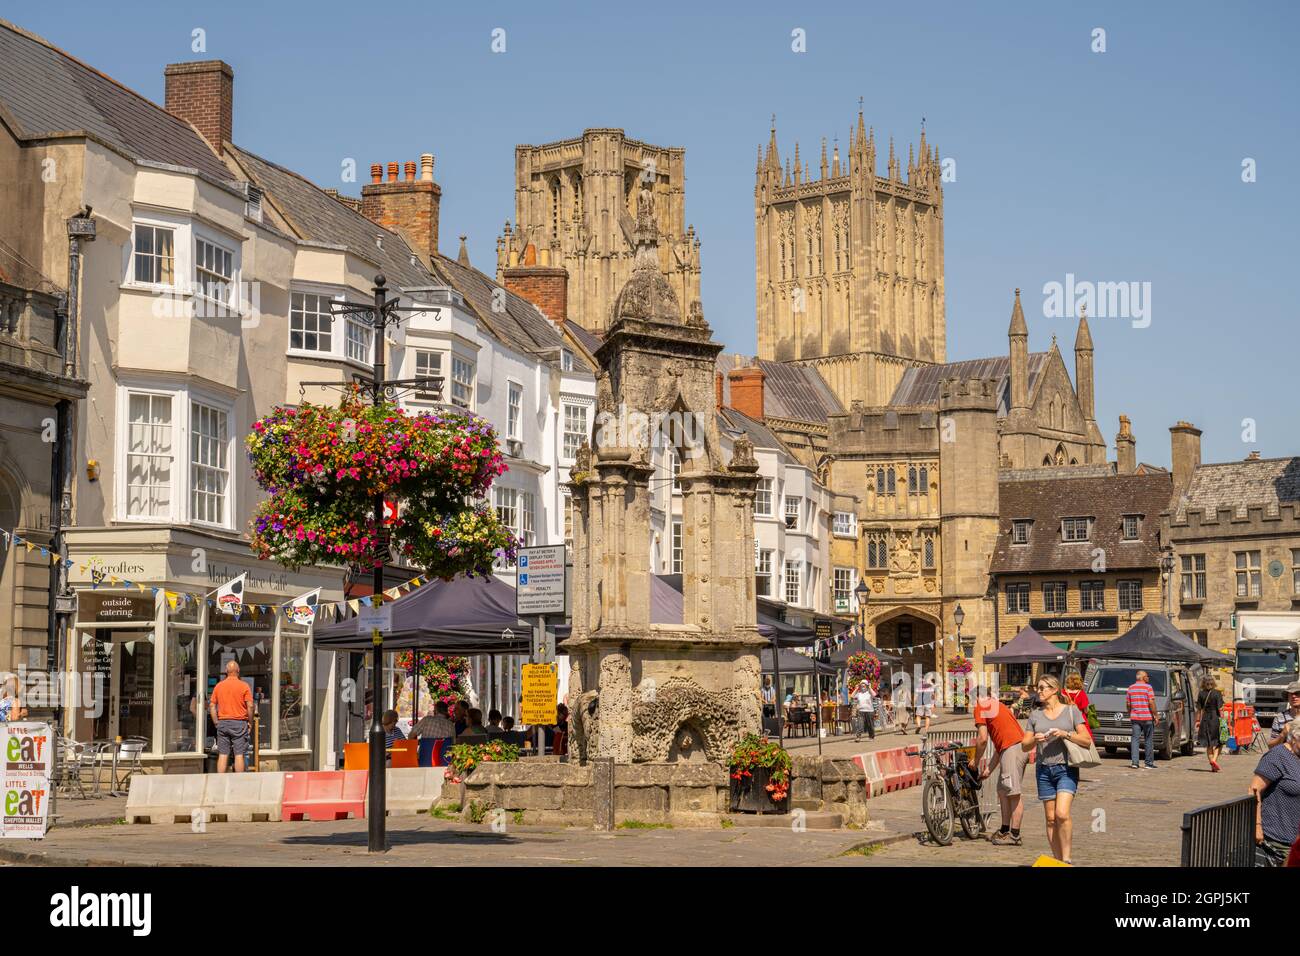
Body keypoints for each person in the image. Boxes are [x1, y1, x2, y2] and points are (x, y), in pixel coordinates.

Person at [1022, 675, 1092, 864]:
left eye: (1043, 687)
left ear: (1054, 690)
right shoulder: (1035, 715)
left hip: (1066, 769)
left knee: (1062, 813)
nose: (1039, 691)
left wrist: (1066, 734)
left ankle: (1067, 859)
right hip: (1043, 770)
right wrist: (1034, 740)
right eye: (1038, 688)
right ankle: (1057, 860)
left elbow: (1086, 740)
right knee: (1051, 818)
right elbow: (1024, 745)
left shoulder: (1071, 711)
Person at [975, 687, 1029, 846]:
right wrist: (988, 770)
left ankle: (1014, 834)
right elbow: (1000, 748)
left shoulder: (981, 706)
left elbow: (982, 739)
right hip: (1014, 747)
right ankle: (1005, 829)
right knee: (1002, 789)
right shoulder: (999, 706)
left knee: (1013, 792)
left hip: (1012, 749)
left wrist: (975, 761)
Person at [1248, 720, 1300, 866]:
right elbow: (1253, 790)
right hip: (1274, 841)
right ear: (1294, 737)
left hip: (1294, 842)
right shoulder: (1277, 756)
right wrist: (1256, 825)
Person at [208, 660, 253, 773]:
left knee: (223, 754)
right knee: (239, 754)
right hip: (239, 724)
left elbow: (212, 706)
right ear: (238, 671)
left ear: (226, 671)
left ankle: (221, 781)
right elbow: (251, 706)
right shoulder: (244, 686)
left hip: (223, 723)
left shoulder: (219, 686)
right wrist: (250, 722)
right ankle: (238, 783)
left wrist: (216, 722)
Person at [1126, 669, 1159, 769]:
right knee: (1148, 739)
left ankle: (1135, 763)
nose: (1148, 678)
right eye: (1147, 676)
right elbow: (1151, 703)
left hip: (1135, 718)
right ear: (1143, 677)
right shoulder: (1148, 688)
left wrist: (1130, 712)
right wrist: (1156, 715)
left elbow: (1128, 703)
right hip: (1147, 718)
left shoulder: (1130, 688)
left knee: (1135, 739)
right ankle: (1148, 763)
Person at [1196, 676, 1226, 772]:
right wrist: (1224, 721)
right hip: (1215, 719)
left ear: (1203, 683)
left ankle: (1213, 766)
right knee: (1219, 742)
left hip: (1205, 719)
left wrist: (1197, 721)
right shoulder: (1217, 693)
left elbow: (1199, 709)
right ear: (1213, 683)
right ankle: (1213, 760)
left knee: (1209, 744)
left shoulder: (1201, 694)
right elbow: (1220, 709)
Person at [1267, 682, 1300, 749]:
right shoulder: (1280, 717)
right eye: (1291, 694)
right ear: (1288, 697)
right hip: (1286, 758)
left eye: (1297, 693)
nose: (1293, 696)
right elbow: (1270, 747)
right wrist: (1283, 734)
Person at [1062, 673, 1094, 741]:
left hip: (1066, 718)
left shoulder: (1063, 692)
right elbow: (1086, 710)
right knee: (1086, 738)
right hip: (1080, 719)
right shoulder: (1081, 693)